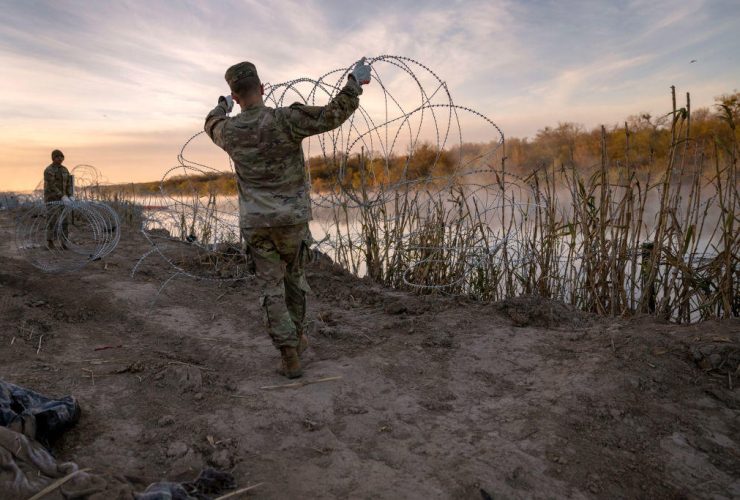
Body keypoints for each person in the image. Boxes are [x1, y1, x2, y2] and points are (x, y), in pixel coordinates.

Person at [204, 58, 372, 378]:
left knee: (271, 288)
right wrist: (354, 83)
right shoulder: (285, 120)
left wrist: (222, 106)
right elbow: (333, 114)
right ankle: (297, 336)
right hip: (291, 220)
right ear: (262, 88)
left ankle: (289, 353)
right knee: (294, 279)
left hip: (257, 225)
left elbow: (210, 122)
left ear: (236, 96)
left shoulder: (229, 131)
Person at [43, 149, 74, 249]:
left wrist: (70, 195)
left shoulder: (65, 170)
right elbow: (51, 186)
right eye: (57, 157)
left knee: (65, 221)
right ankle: (50, 242)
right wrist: (62, 196)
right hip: (52, 199)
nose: (60, 158)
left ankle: (64, 242)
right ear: (53, 158)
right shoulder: (49, 170)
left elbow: (68, 184)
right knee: (52, 220)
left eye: (61, 157)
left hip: (64, 199)